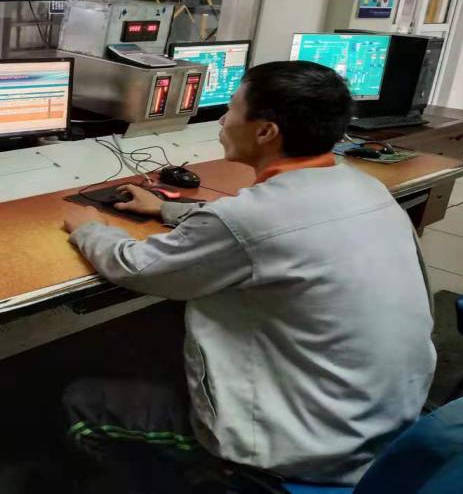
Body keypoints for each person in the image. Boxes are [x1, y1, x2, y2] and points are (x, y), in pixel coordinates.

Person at [62, 61, 436, 489]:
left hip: (306, 447)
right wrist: (167, 208)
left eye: (233, 109)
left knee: (82, 403)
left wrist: (89, 228)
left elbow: (135, 266)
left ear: (265, 132)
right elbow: (268, 225)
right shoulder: (365, 188)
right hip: (389, 424)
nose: (222, 120)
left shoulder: (249, 219)